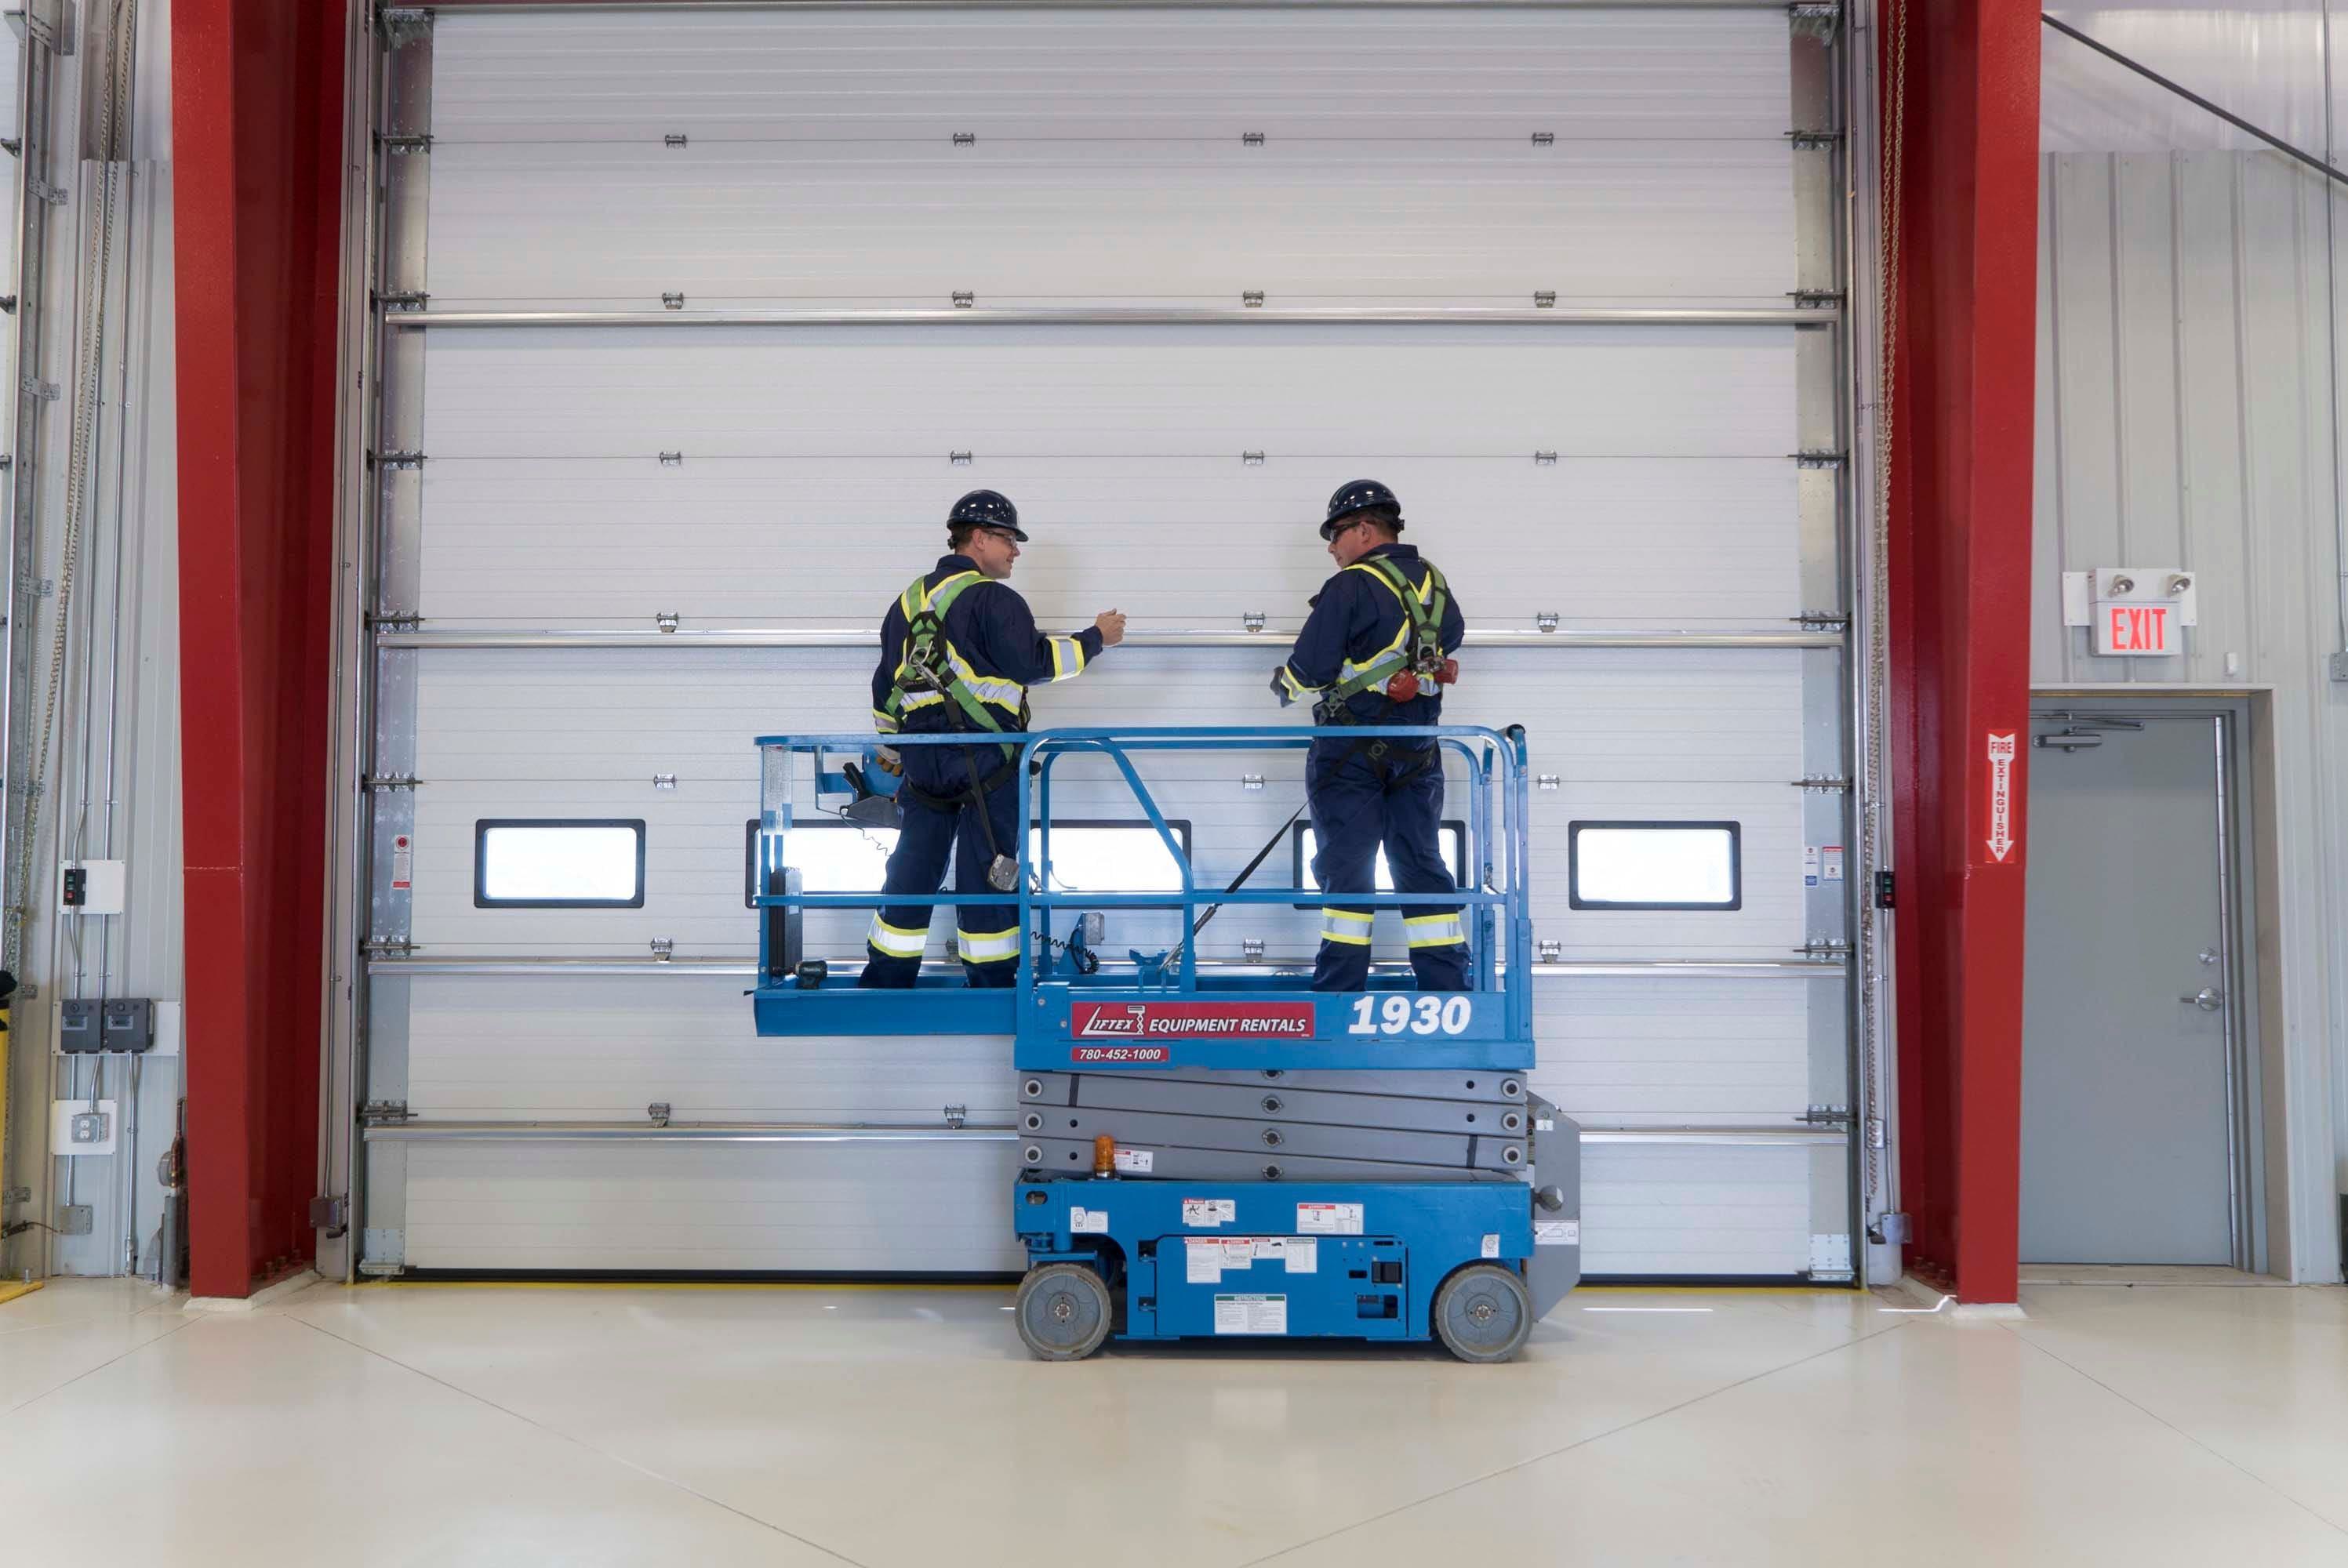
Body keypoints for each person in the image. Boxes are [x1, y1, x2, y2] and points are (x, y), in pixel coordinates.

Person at [861, 490, 1126, 988]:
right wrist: (1096, 638)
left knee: (911, 869)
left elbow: (884, 688)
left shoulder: (906, 603)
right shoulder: (993, 599)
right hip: (986, 764)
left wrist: (894, 750)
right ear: (979, 538)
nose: (1016, 551)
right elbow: (1034, 663)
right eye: (1009, 539)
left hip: (924, 767)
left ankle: (886, 979)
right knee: (989, 873)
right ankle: (992, 985)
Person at [1269, 479, 1468, 992]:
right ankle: (1447, 983)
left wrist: (1283, 685)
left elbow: (1310, 669)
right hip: (1419, 751)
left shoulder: (1351, 586)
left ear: (1363, 529)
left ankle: (1339, 990)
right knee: (1420, 860)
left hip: (1350, 752)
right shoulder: (1436, 586)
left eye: (1335, 535)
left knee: (1348, 864)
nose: (1331, 548)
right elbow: (1450, 640)